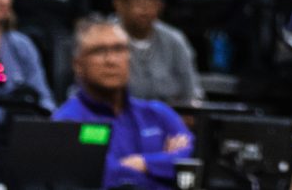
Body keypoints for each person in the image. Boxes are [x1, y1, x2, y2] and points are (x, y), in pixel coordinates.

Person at [55, 13, 197, 189]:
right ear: (78, 65)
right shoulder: (69, 122)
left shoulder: (157, 114)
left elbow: (194, 157)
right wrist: (165, 166)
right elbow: (104, 176)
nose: (111, 60)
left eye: (119, 49)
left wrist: (143, 162)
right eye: (99, 51)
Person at [112, 0, 202, 109]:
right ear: (118, 4)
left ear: (160, 5)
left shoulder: (175, 41)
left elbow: (191, 95)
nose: (143, 4)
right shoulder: (104, 40)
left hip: (165, 124)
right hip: (114, 121)